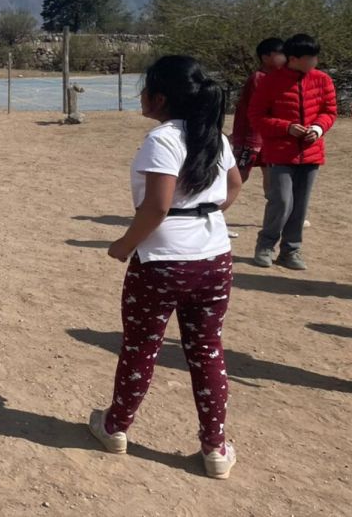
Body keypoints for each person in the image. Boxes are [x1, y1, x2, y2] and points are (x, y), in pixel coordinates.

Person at [88, 55, 242, 480]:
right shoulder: (215, 137)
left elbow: (157, 205)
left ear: (159, 97)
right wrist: (204, 214)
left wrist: (124, 245)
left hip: (162, 262)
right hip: (214, 257)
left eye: (145, 88)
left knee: (141, 347)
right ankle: (215, 447)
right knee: (207, 349)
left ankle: (116, 426)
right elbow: (234, 187)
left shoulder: (163, 139)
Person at [248, 33, 337, 270]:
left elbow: (329, 111)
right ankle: (265, 246)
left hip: (311, 152)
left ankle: (291, 250)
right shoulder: (270, 81)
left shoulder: (323, 80)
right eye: (311, 57)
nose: (315, 61)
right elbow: (256, 117)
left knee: (300, 205)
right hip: (279, 152)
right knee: (281, 201)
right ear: (294, 58)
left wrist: (317, 128)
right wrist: (286, 128)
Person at [230, 38, 285, 192]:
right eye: (280, 54)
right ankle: (213, 205)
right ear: (265, 57)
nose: (284, 57)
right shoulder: (259, 78)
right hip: (251, 136)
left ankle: (275, 211)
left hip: (269, 136)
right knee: (240, 173)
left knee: (271, 173)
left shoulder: (278, 78)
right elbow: (263, 108)